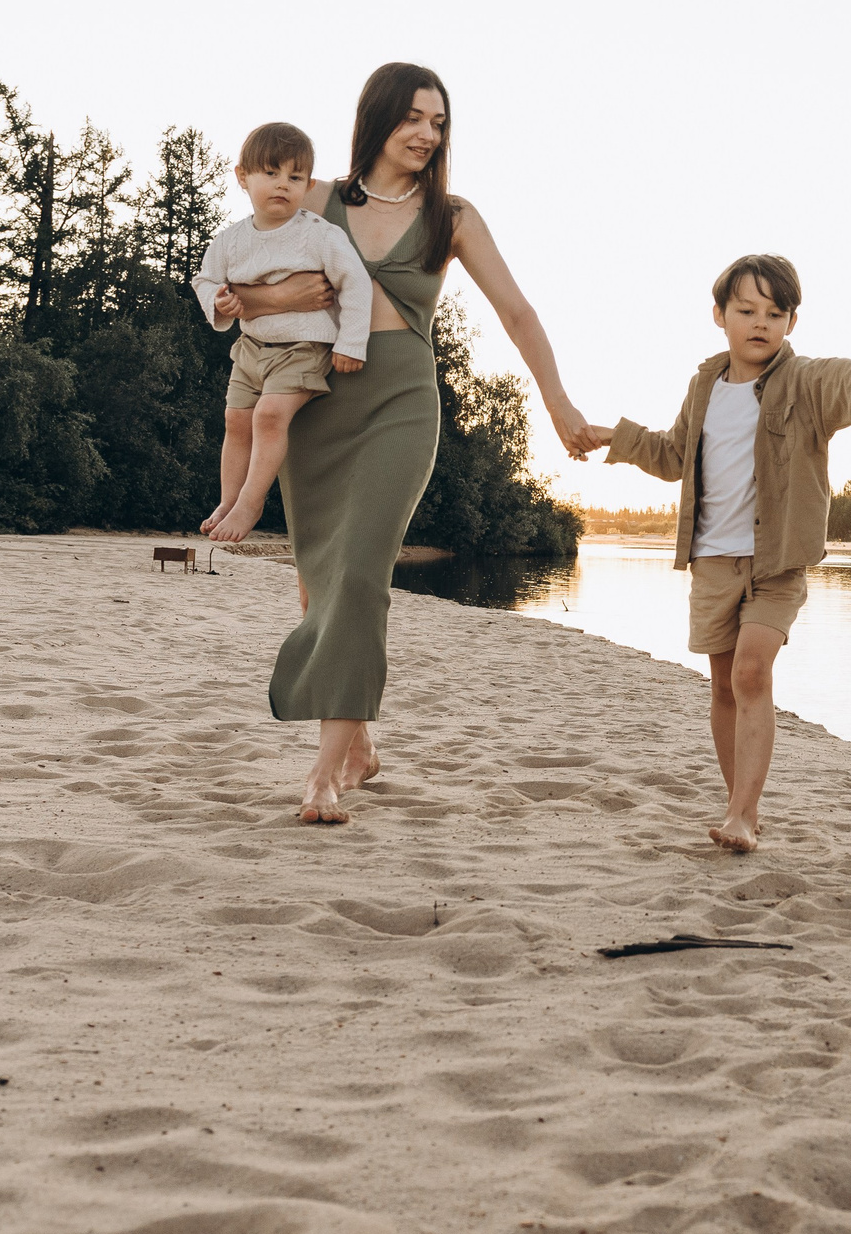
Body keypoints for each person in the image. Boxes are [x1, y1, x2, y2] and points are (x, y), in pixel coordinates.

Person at [214, 63, 593, 824]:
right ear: (379, 117)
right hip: (316, 397)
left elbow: (517, 313)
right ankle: (358, 744)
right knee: (319, 580)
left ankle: (323, 774)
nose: (427, 133)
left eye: (439, 122)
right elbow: (243, 288)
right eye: (414, 118)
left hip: (400, 403)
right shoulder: (315, 197)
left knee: (358, 571)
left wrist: (558, 405)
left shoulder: (452, 216)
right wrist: (273, 301)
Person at [577, 253, 851, 853]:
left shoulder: (801, 382)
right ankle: (740, 808)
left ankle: (744, 815)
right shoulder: (704, 384)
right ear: (720, 315)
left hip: (776, 561)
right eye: (746, 310)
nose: (760, 322)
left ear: (791, 323)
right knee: (725, 687)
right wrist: (613, 436)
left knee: (752, 670)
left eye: (775, 313)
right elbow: (673, 455)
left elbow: (841, 378)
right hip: (711, 561)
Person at [192, 122, 373, 544]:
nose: (282, 185)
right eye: (270, 174)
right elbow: (204, 280)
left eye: (295, 177)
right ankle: (229, 499)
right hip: (251, 348)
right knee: (235, 420)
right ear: (243, 177)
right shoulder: (230, 241)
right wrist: (220, 301)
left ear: (308, 185)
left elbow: (355, 283)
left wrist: (350, 342)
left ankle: (252, 503)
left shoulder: (319, 235)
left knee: (269, 416)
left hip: (304, 348)